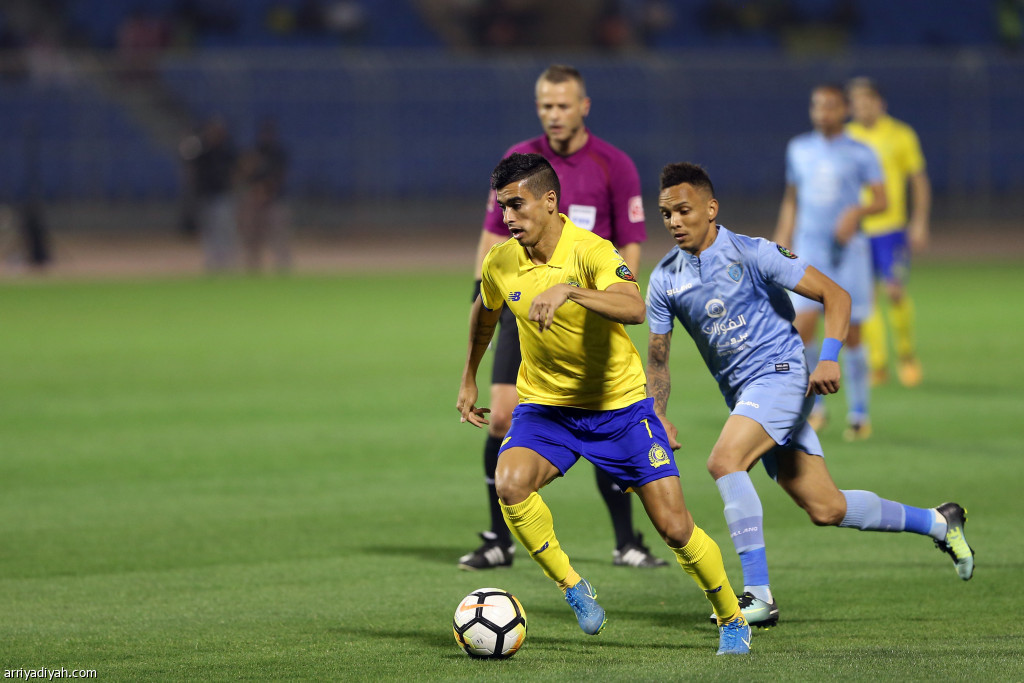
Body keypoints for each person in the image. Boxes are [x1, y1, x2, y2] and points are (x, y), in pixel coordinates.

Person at [645, 161, 975, 629]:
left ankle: (759, 596)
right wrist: (658, 413)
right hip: (747, 397)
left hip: (782, 375)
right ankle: (939, 522)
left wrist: (829, 357)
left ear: (711, 208)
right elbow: (658, 359)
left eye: (684, 210)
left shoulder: (754, 253)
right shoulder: (664, 278)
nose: (675, 221)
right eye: (666, 214)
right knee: (826, 507)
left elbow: (836, 295)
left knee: (724, 461)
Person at [457, 153, 751, 655]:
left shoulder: (590, 250)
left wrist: (570, 291)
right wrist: (469, 376)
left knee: (675, 527)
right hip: (548, 409)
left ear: (549, 202)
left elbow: (634, 307)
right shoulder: (501, 261)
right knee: (510, 483)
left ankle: (731, 616)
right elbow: (484, 313)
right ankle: (573, 586)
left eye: (517, 205)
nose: (508, 217)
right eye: (502, 206)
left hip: (619, 409)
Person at [460, 64, 661, 570]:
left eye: (563, 105)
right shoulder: (520, 162)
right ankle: (499, 538)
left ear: (583, 107)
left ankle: (627, 541)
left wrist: (614, 297)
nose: (554, 114)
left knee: (600, 410)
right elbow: (493, 233)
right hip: (525, 305)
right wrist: (482, 295)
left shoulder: (614, 165)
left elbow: (630, 245)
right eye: (546, 105)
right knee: (501, 417)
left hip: (589, 306)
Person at [774, 83, 886, 441]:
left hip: (848, 253)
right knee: (802, 328)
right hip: (809, 252)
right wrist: (782, 237)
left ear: (844, 110)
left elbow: (882, 200)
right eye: (817, 105)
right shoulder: (799, 148)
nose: (823, 112)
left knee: (850, 334)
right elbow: (792, 198)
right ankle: (817, 409)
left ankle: (859, 413)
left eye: (831, 106)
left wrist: (856, 212)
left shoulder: (860, 151)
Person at [845, 76, 931, 388]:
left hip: (891, 229)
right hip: (858, 231)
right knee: (865, 298)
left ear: (880, 103)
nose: (862, 108)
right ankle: (878, 364)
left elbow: (918, 180)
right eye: (856, 103)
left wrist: (919, 220)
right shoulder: (846, 137)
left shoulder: (900, 134)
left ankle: (906, 355)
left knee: (895, 291)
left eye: (867, 101)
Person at [237, 121, 292, 273]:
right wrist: (256, 192)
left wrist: (266, 192)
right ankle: (253, 269)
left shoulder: (278, 154)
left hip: (275, 200)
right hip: (254, 202)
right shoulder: (254, 152)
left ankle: (283, 269)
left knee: (279, 237)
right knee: (252, 238)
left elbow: (280, 177)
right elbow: (244, 175)